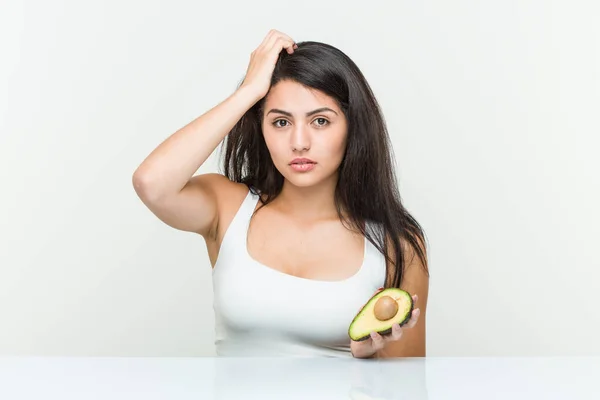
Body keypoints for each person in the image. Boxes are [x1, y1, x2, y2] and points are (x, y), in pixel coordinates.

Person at [132, 29, 430, 358]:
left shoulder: (396, 242)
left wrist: (369, 356)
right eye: (281, 122)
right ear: (260, 128)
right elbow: (152, 183)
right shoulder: (228, 207)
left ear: (352, 126)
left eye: (320, 121)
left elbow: (408, 384)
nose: (299, 142)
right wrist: (248, 92)